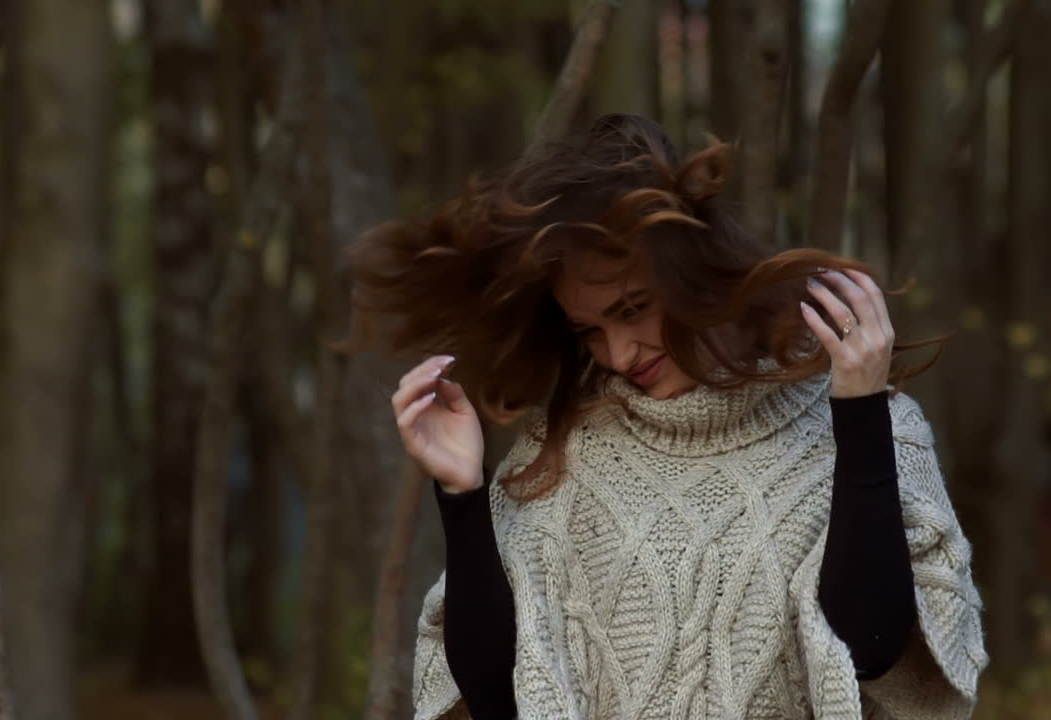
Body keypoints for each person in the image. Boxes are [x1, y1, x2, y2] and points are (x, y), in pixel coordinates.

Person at [345, 114, 986, 720]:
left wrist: (860, 413)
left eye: (632, 308)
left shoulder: (867, 425)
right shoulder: (565, 453)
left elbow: (868, 647)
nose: (619, 353)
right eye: (589, 329)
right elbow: (499, 699)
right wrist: (463, 495)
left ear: (696, 272)